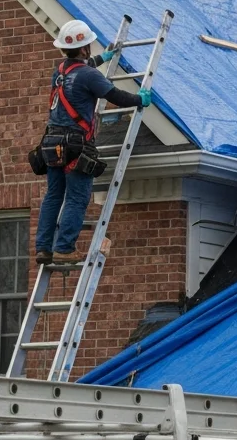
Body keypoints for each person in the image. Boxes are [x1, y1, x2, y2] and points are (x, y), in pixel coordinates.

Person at [34, 20, 151, 265]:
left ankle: (43, 248)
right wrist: (139, 99)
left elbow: (81, 70)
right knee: (77, 198)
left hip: (51, 143)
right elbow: (115, 96)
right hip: (75, 145)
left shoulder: (60, 70)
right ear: (85, 48)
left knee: (54, 196)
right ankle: (64, 249)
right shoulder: (88, 75)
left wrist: (103, 58)